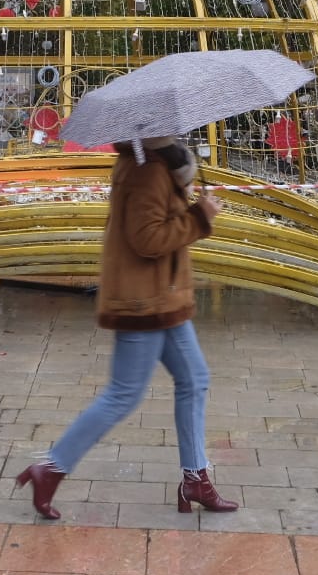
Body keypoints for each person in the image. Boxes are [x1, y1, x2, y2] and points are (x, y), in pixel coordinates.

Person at [13, 134, 238, 520]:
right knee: (123, 395)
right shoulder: (146, 170)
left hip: (162, 299)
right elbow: (146, 239)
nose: (177, 128)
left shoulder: (154, 164)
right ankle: (50, 469)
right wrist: (200, 217)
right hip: (144, 302)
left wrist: (185, 192)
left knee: (194, 379)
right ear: (151, 130)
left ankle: (195, 479)